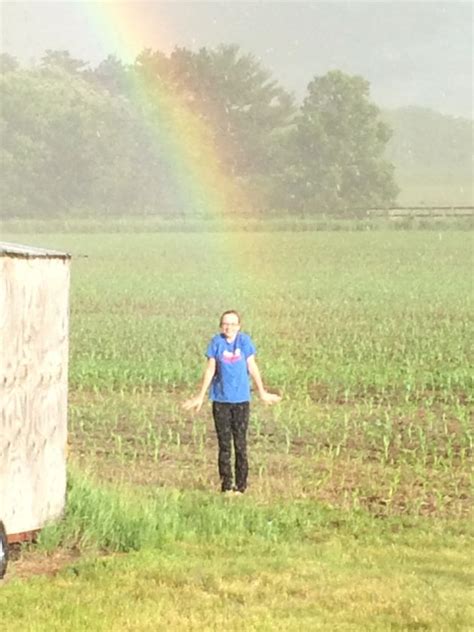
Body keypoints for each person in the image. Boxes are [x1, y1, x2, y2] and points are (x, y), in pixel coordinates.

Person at [183, 310, 281, 494]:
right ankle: (226, 486)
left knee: (240, 444)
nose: (229, 327)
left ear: (239, 326)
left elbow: (252, 366)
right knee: (224, 446)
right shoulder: (216, 343)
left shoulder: (244, 342)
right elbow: (210, 370)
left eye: (232, 324)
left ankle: (241, 487)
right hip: (220, 401)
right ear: (221, 326)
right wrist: (200, 396)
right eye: (225, 324)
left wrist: (262, 392)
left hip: (241, 401)